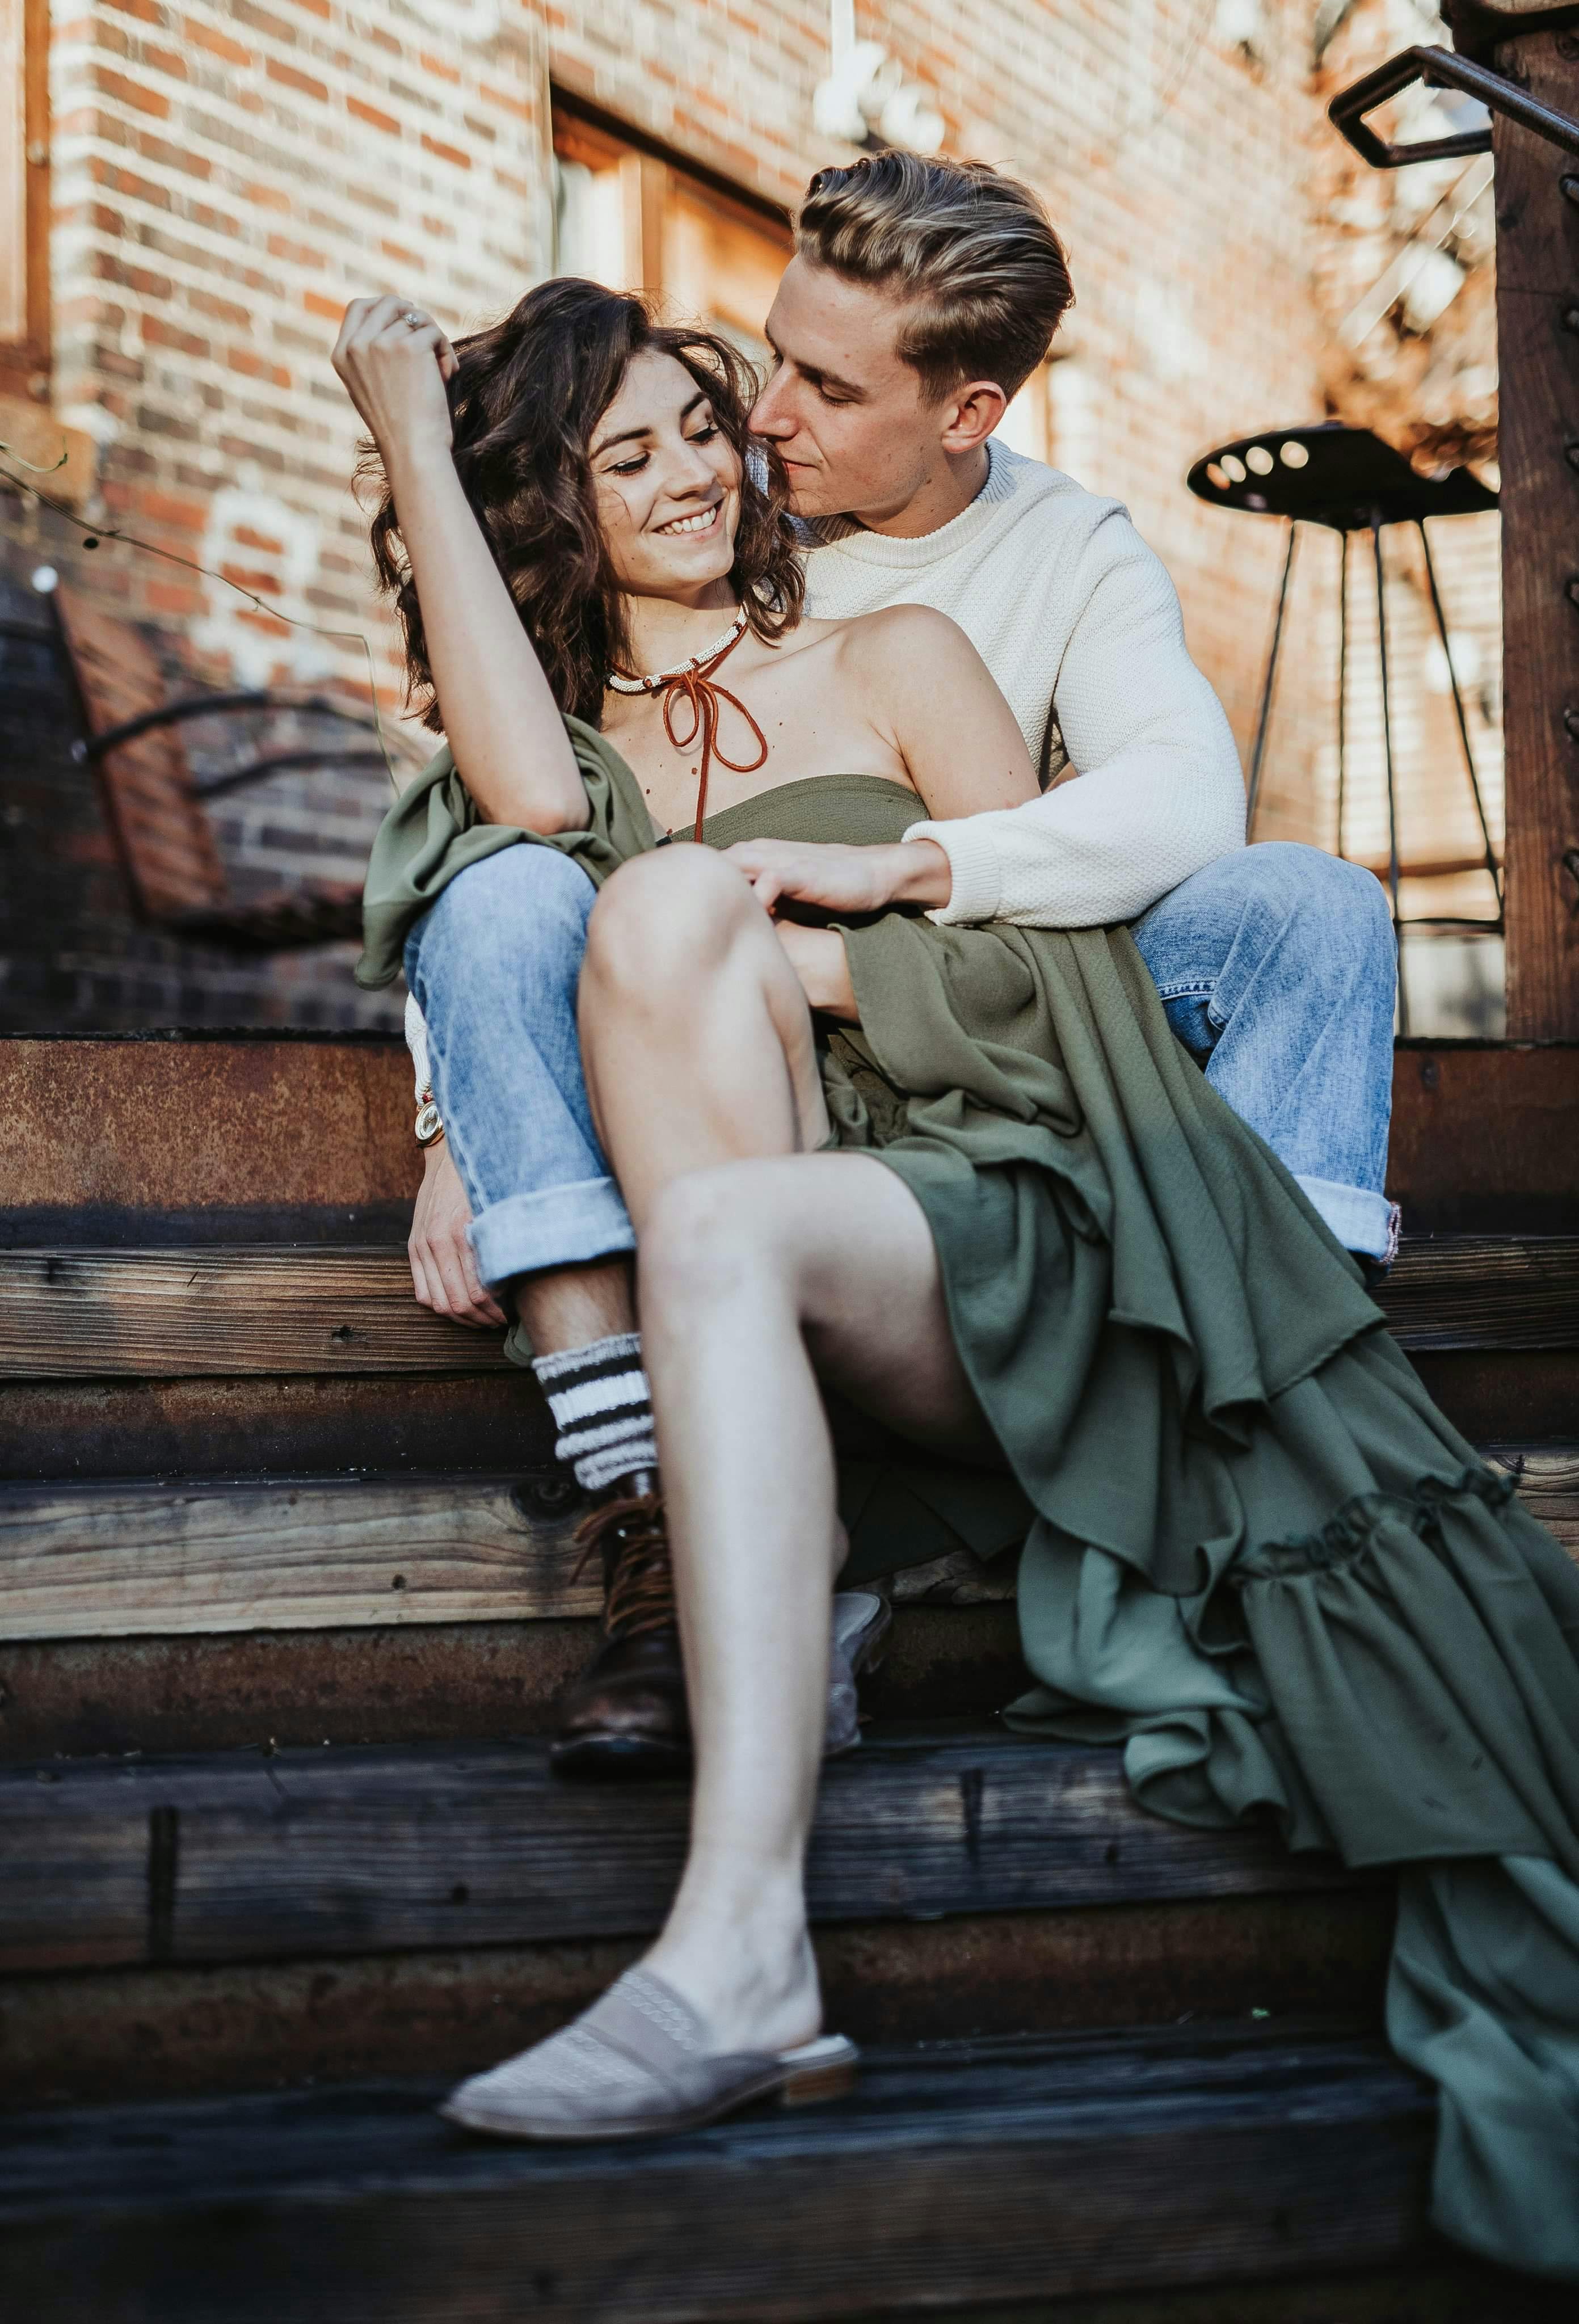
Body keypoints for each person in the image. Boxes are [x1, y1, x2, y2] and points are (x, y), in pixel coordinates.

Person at [345, 270, 1579, 2277]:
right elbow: (527, 812)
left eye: (698, 426)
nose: (686, 474)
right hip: (774, 1228)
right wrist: (453, 1121)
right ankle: (744, 1948)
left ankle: (746, 1894)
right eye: (618, 454)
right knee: (653, 956)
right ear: (541, 516)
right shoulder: (567, 758)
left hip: (993, 1201)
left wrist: (818, 951)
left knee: (688, 967)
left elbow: (1057, 975)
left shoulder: (898, 649)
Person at [379, 151, 1400, 1780]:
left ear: (964, 413)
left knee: (1313, 912)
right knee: (536, 903)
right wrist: (462, 1126)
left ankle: (1294, 1406)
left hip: (950, 1019)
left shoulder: (1039, 567)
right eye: (759, 363)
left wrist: (877, 898)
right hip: (735, 1104)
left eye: (806, 391)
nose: (755, 425)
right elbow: (494, 844)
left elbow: (1139, 858)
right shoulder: (663, 586)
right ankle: (660, 1511)